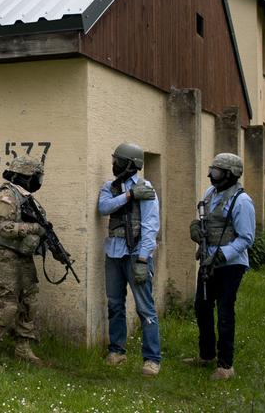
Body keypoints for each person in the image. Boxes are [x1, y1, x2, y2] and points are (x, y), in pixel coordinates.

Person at [185, 153, 255, 380]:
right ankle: (206, 355)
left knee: (225, 311)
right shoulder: (211, 194)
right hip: (208, 258)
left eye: (215, 172)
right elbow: (204, 221)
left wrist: (221, 256)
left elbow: (246, 238)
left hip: (230, 265)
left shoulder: (242, 202)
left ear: (229, 175)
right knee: (202, 306)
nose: (210, 176)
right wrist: (195, 228)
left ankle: (226, 365)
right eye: (211, 170)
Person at [97, 143, 162, 377]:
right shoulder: (110, 187)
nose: (114, 164)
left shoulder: (146, 189)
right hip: (114, 253)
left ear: (130, 165)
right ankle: (117, 351)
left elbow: (150, 226)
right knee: (115, 304)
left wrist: (144, 260)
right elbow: (103, 208)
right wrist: (128, 195)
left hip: (136, 254)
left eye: (118, 161)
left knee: (145, 308)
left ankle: (152, 359)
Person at [0, 155, 48, 369]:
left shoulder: (27, 199)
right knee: (8, 304)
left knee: (30, 300)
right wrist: (34, 229)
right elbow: (4, 228)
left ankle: (23, 347)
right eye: (36, 175)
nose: (39, 180)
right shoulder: (7, 196)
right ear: (26, 176)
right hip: (2, 255)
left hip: (21, 256)